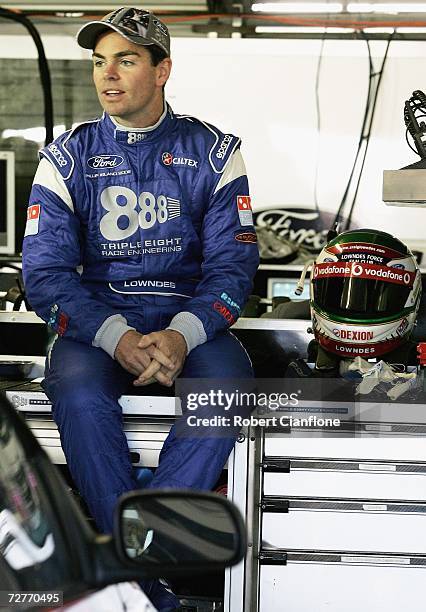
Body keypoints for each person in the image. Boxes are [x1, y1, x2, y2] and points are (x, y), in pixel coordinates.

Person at [22, 7, 258, 610]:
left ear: (162, 70)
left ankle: (131, 567)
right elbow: (44, 274)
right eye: (100, 61)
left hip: (191, 320)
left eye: (127, 59)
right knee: (74, 391)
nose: (109, 74)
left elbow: (233, 267)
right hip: (100, 323)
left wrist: (182, 334)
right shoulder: (66, 157)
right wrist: (115, 336)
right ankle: (150, 584)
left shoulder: (214, 152)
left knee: (229, 387)